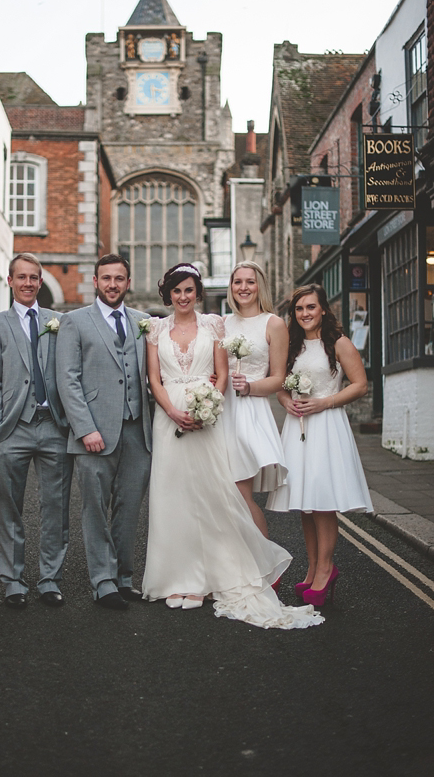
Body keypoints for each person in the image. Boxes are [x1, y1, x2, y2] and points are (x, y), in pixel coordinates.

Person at [141, 263, 323, 629]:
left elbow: (233, 374)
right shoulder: (162, 328)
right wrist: (175, 410)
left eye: (189, 289)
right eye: (177, 290)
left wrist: (210, 401)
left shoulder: (220, 324)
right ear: (169, 293)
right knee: (174, 495)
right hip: (174, 417)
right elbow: (153, 377)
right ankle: (178, 576)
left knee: (221, 495)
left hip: (222, 414)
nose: (183, 296)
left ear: (198, 292)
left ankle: (239, 572)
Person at [267, 284, 373, 606]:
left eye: (311, 307)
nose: (305, 314)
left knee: (323, 500)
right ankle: (312, 569)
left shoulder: (338, 343)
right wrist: (286, 401)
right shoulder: (292, 345)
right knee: (304, 501)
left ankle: (327, 569)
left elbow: (360, 385)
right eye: (299, 309)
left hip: (326, 426)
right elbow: (280, 384)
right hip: (298, 428)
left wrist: (325, 403)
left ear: (323, 309)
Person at [56, 254, 152, 611]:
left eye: (120, 278)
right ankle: (102, 581)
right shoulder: (74, 321)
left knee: (129, 509)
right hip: (94, 433)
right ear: (95, 281)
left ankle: (124, 577)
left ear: (129, 282)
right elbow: (67, 379)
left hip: (137, 432)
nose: (113, 284)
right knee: (95, 508)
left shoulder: (144, 323)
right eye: (106, 278)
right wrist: (85, 429)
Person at [0, 253, 73, 610]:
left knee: (56, 508)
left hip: (54, 427)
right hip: (13, 429)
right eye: (21, 277)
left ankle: (50, 579)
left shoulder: (59, 321)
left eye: (34, 277)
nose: (28, 283)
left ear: (39, 281)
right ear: (10, 281)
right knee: (10, 508)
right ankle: (13, 580)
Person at [222, 262, 288, 538]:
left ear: (260, 285)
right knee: (222, 495)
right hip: (222, 412)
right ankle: (236, 566)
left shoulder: (274, 323)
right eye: (238, 282)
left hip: (249, 412)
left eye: (250, 282)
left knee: (240, 493)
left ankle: (267, 566)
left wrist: (249, 387)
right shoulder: (222, 323)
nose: (244, 287)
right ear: (231, 287)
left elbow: (279, 378)